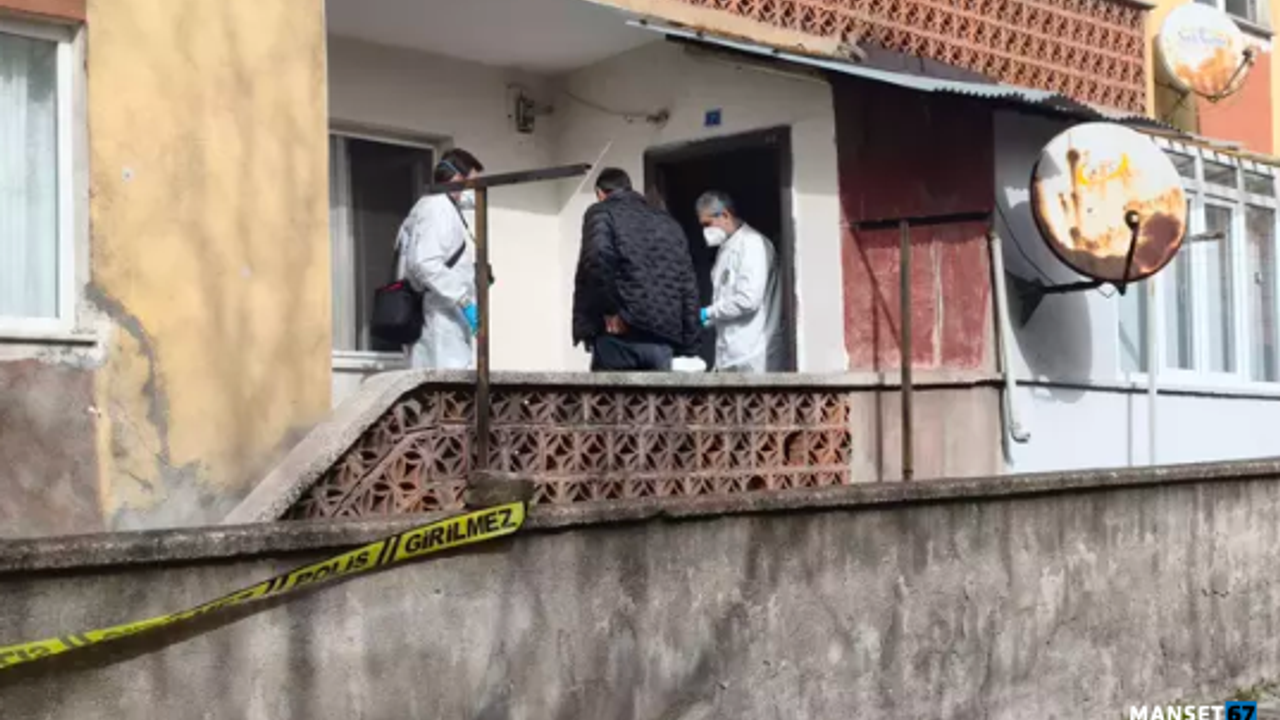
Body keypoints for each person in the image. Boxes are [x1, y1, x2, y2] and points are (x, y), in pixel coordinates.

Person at [572, 168, 701, 371]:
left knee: (611, 391)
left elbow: (597, 260)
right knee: (656, 393)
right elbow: (688, 286)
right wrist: (690, 347)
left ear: (600, 193)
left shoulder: (602, 212)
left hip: (619, 334)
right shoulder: (669, 223)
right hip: (663, 341)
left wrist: (610, 311)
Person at [396, 148, 485, 370]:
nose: (474, 190)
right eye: (473, 182)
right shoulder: (437, 207)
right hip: (440, 316)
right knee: (448, 381)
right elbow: (426, 263)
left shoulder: (438, 207)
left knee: (450, 381)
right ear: (457, 178)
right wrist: (464, 300)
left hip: (445, 313)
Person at [696, 190, 784, 373]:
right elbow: (725, 301)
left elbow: (748, 300)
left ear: (725, 215)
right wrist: (706, 320)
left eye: (707, 224)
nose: (705, 232)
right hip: (730, 354)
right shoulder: (725, 249)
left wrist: (708, 313)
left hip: (753, 354)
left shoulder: (752, 244)